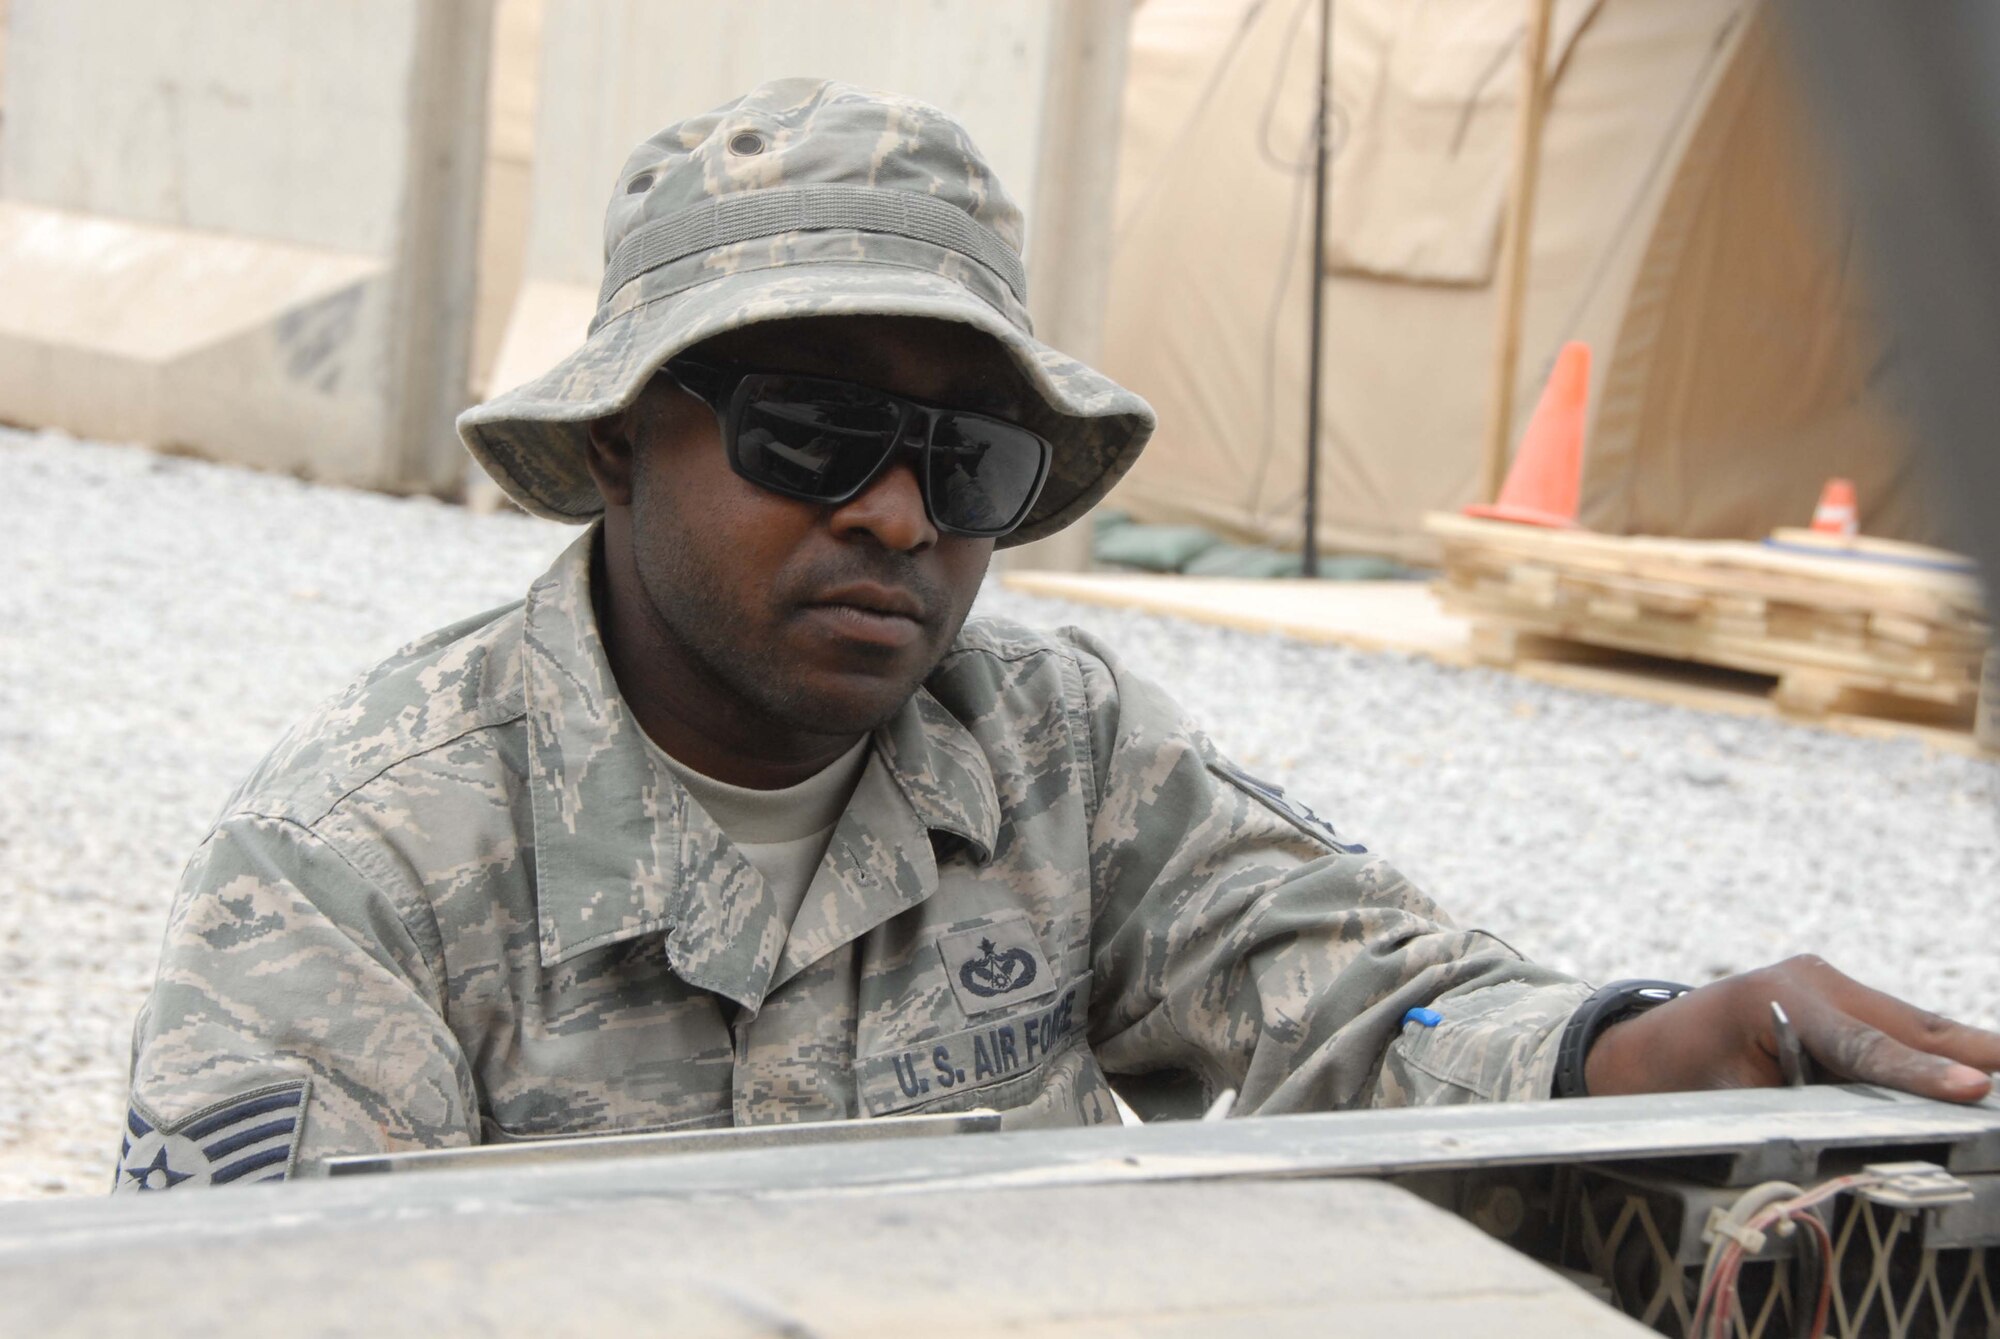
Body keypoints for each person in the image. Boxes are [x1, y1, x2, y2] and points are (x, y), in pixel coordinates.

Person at [115, 79, 2000, 1193]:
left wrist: (1654, 1047)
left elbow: (1364, 1002)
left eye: (972, 457)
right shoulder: (357, 866)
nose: (897, 515)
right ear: (620, 439)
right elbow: (250, 1295)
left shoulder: (1054, 749)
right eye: (810, 433)